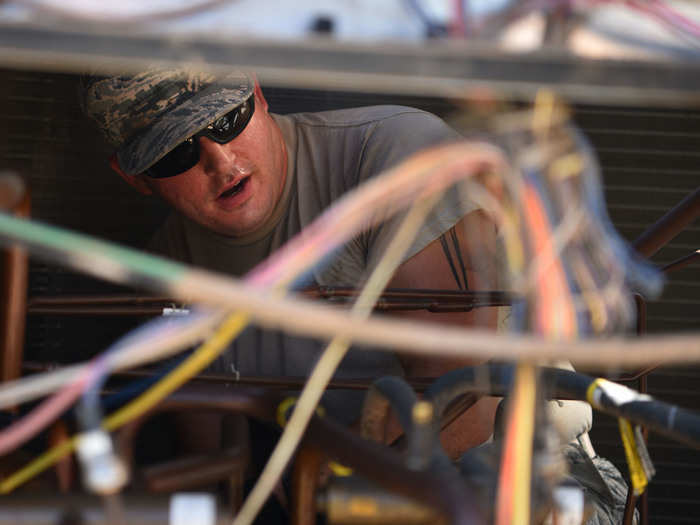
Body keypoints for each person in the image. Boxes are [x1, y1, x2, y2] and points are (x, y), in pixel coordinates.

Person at [82, 68, 630, 523]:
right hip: (346, 498)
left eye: (228, 120)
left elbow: (458, 400)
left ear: (258, 93)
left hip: (529, 480)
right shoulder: (169, 270)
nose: (220, 160)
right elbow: (216, 464)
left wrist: (316, 486)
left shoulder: (396, 156)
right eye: (174, 153)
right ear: (135, 178)